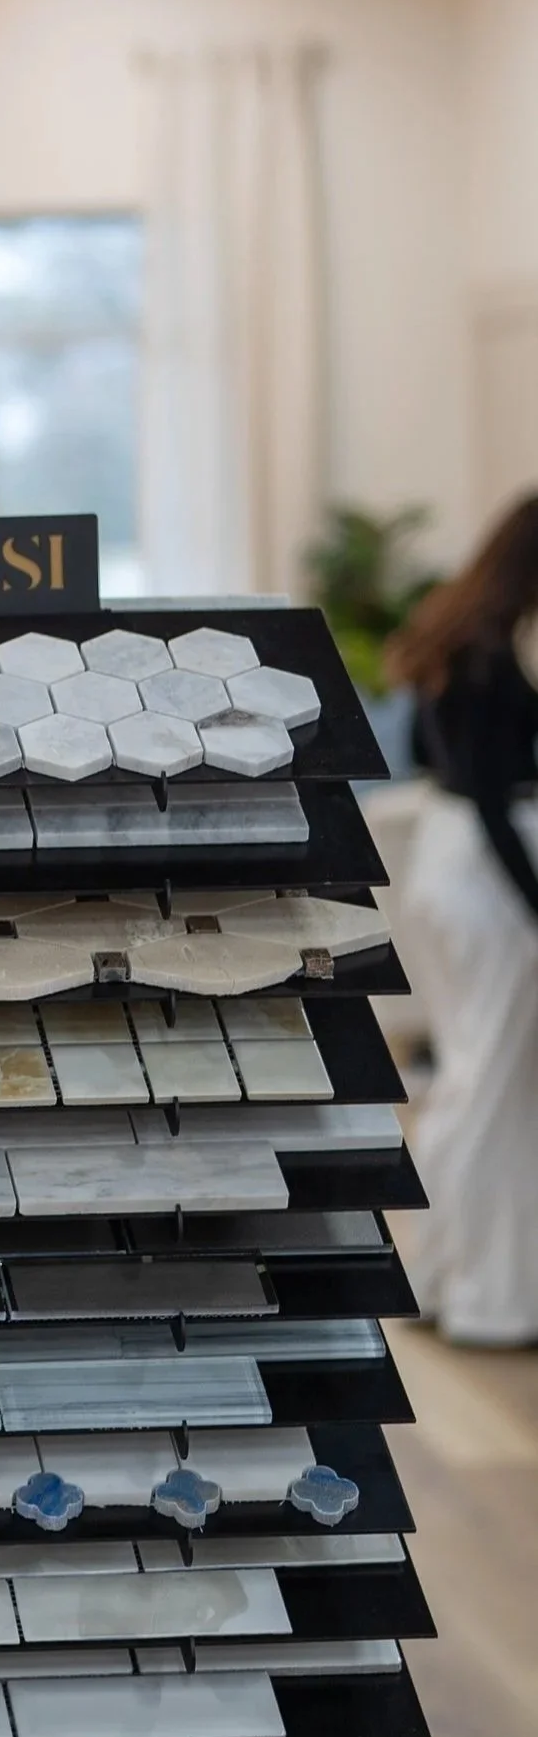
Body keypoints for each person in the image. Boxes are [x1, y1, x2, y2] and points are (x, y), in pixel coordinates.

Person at [386, 494, 538, 1342]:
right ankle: (488, 1300)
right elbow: (490, 792)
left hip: (447, 862)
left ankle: (446, 1279)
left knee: (470, 1079)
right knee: (492, 1085)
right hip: (488, 871)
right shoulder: (490, 651)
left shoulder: (455, 631)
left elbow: (423, 758)